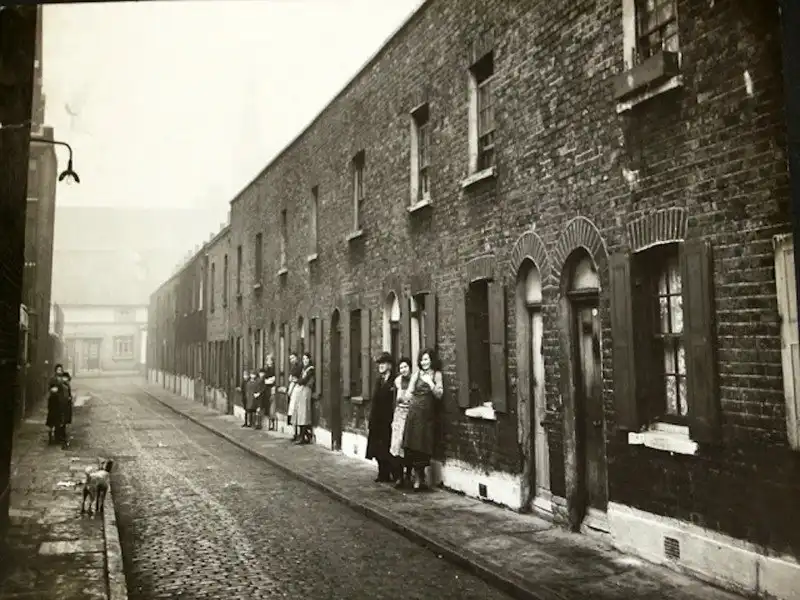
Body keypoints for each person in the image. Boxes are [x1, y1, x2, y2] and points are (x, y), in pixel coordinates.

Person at [402, 348, 444, 491]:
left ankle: (420, 477)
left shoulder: (436, 374)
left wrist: (430, 383)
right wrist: (405, 395)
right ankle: (416, 477)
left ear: (432, 360)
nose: (424, 362)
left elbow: (439, 395)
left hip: (426, 415)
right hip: (414, 413)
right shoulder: (417, 374)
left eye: (426, 359)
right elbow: (409, 392)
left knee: (422, 445)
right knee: (412, 445)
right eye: (422, 360)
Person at [365, 352, 397, 483]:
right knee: (377, 448)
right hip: (377, 419)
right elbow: (375, 401)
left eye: (383, 363)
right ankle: (382, 473)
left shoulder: (394, 381)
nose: (381, 366)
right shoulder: (379, 381)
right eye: (379, 364)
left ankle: (393, 473)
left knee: (388, 447)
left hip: (388, 419)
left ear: (390, 365)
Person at [390, 357, 414, 488]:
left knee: (408, 445)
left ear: (410, 367)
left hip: (410, 415)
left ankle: (408, 474)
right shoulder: (398, 381)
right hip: (399, 414)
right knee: (397, 445)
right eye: (401, 368)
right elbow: (394, 400)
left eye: (405, 367)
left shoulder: (414, 380)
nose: (403, 370)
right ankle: (399, 476)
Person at [293, 352, 315, 445]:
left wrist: (297, 380)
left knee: (304, 414)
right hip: (301, 391)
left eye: (306, 359)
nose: (305, 360)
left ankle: (303, 436)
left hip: (306, 391)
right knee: (300, 414)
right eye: (303, 359)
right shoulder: (303, 369)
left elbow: (304, 380)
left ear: (309, 359)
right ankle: (303, 435)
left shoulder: (310, 369)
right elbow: (297, 376)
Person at [46, 364, 65, 445]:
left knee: (59, 420)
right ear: (55, 371)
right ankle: (51, 436)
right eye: (58, 370)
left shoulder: (63, 379)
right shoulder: (53, 379)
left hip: (60, 402)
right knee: (52, 419)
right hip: (53, 402)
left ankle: (57, 437)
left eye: (61, 370)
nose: (59, 371)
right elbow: (51, 388)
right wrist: (53, 390)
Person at [286, 352, 302, 441]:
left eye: (293, 358)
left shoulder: (299, 366)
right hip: (293, 391)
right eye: (290, 359)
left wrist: (293, 380)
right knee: (292, 412)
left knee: (295, 411)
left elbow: (294, 379)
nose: (291, 360)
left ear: (296, 357)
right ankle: (294, 433)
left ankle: (297, 433)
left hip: (296, 390)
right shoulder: (293, 367)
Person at [263, 354, 277, 431]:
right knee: (267, 406)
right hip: (266, 390)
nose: (268, 361)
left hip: (272, 389)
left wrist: (267, 380)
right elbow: (264, 379)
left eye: (269, 359)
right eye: (267, 359)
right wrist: (267, 380)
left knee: (272, 407)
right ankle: (268, 423)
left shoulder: (274, 369)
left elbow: (273, 379)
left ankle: (272, 423)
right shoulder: (266, 369)